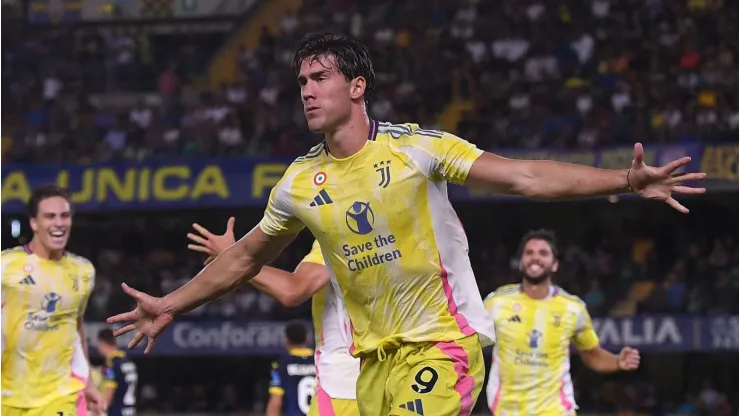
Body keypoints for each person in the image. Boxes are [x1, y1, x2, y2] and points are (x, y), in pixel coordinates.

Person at [107, 33, 705, 416]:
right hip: (371, 364)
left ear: (357, 87)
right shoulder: (297, 183)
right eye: (302, 83)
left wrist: (625, 181)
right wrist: (171, 304)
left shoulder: (420, 149)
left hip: (443, 344)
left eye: (320, 80)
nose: (307, 93)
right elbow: (244, 259)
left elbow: (524, 177)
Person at [187, 217, 359, 416]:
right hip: (386, 379)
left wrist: (234, 258)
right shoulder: (391, 239)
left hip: (343, 387)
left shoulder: (339, 239)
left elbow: (293, 290)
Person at [484, 230, 641, 415]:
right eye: (529, 253)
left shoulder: (573, 308)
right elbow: (470, 344)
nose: (535, 258)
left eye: (543, 253)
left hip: (556, 410)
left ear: (555, 264)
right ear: (521, 262)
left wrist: (617, 361)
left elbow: (592, 355)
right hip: (506, 410)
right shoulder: (495, 302)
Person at [1, 184, 106, 416]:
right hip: (8, 394)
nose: (59, 223)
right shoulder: (6, 266)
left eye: (64, 216)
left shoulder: (83, 271)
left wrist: (88, 381)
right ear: (34, 223)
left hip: (60, 394)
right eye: (49, 216)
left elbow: (76, 328)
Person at [267, 322, 317, 416]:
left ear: (287, 340)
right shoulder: (320, 361)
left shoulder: (281, 364)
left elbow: (276, 401)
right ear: (307, 339)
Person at [98, 329, 138, 416]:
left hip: (117, 412)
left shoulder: (110, 364)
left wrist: (100, 411)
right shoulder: (128, 360)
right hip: (130, 411)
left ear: (101, 342)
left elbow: (109, 395)